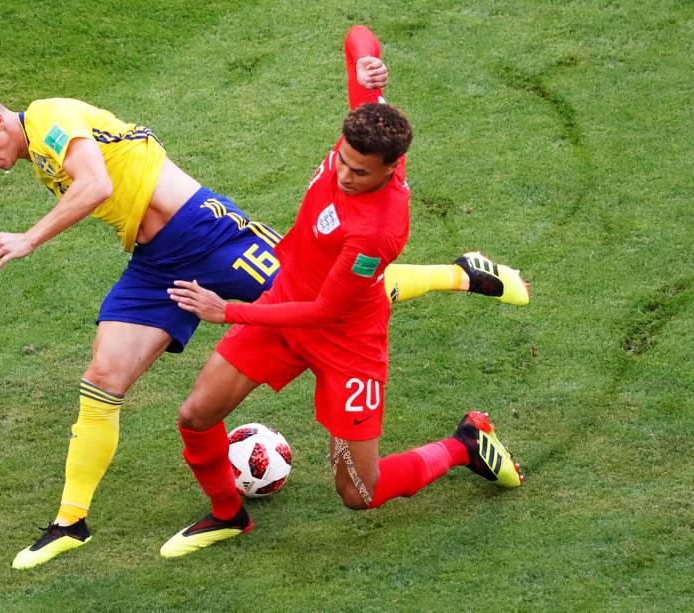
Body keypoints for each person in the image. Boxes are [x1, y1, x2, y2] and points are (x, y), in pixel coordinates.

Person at [0, 66, 527, 567]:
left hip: (212, 237)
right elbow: (363, 78)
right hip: (155, 261)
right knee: (114, 381)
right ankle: (75, 523)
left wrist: (29, 239)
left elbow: (92, 185)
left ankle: (460, 278)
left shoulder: (46, 118)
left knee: (338, 302)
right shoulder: (39, 144)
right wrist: (368, 68)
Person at [160, 25, 523, 558]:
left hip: (345, 339)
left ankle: (464, 445)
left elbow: (327, 309)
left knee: (360, 491)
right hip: (286, 301)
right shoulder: (365, 131)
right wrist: (367, 63)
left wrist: (226, 311)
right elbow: (358, 35)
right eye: (343, 162)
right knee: (195, 415)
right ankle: (227, 516)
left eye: (359, 173)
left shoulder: (379, 229)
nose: (346, 175)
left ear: (390, 167)